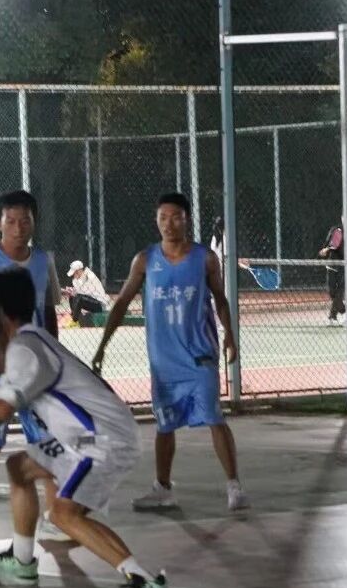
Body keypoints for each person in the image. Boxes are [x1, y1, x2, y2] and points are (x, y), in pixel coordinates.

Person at [0, 268, 172, 588]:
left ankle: (144, 581)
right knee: (20, 467)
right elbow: (3, 367)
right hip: (87, 437)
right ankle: (22, 560)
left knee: (64, 514)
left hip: (101, 440)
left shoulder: (25, 349)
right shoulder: (29, 339)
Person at [93, 192, 249, 513]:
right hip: (164, 363)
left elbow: (220, 299)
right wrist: (103, 345)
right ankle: (163, 489)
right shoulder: (145, 260)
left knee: (213, 417)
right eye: (163, 217)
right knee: (164, 426)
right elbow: (121, 303)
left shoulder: (205, 259)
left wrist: (230, 336)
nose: (169, 223)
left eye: (176, 217)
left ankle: (234, 486)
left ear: (187, 219)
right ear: (156, 220)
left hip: (200, 356)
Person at [0, 190, 66, 542]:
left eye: (25, 221)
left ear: (34, 223)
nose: (18, 228)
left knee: (48, 443)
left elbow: (49, 311)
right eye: (11, 221)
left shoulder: (43, 262)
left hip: (34, 370)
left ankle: (53, 516)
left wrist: (53, 355)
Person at [62, 260, 109, 326]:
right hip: (90, 301)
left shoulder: (90, 276)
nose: (73, 275)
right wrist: (71, 291)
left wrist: (72, 291)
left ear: (79, 271)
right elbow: (79, 291)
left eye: (75, 273)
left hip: (99, 304)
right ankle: (75, 320)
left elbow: (82, 292)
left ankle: (74, 321)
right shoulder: (77, 279)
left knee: (79, 298)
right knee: (72, 297)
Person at [319, 223, 345, 323]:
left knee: (339, 291)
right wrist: (325, 250)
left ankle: (332, 316)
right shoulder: (336, 230)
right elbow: (331, 244)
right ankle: (344, 310)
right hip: (332, 264)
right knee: (332, 292)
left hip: (344, 265)